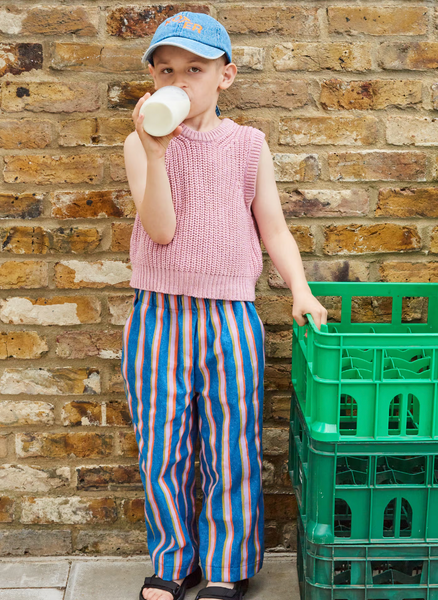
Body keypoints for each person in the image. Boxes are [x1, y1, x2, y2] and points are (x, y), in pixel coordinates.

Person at [121, 11, 328, 600]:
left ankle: (226, 564)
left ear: (225, 76)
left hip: (229, 317)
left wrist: (301, 289)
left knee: (230, 444)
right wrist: (156, 152)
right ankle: (172, 559)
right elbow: (159, 231)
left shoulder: (247, 144)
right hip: (158, 314)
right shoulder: (139, 144)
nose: (179, 82)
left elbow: (274, 228)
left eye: (195, 69)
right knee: (161, 446)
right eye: (167, 71)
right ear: (154, 81)